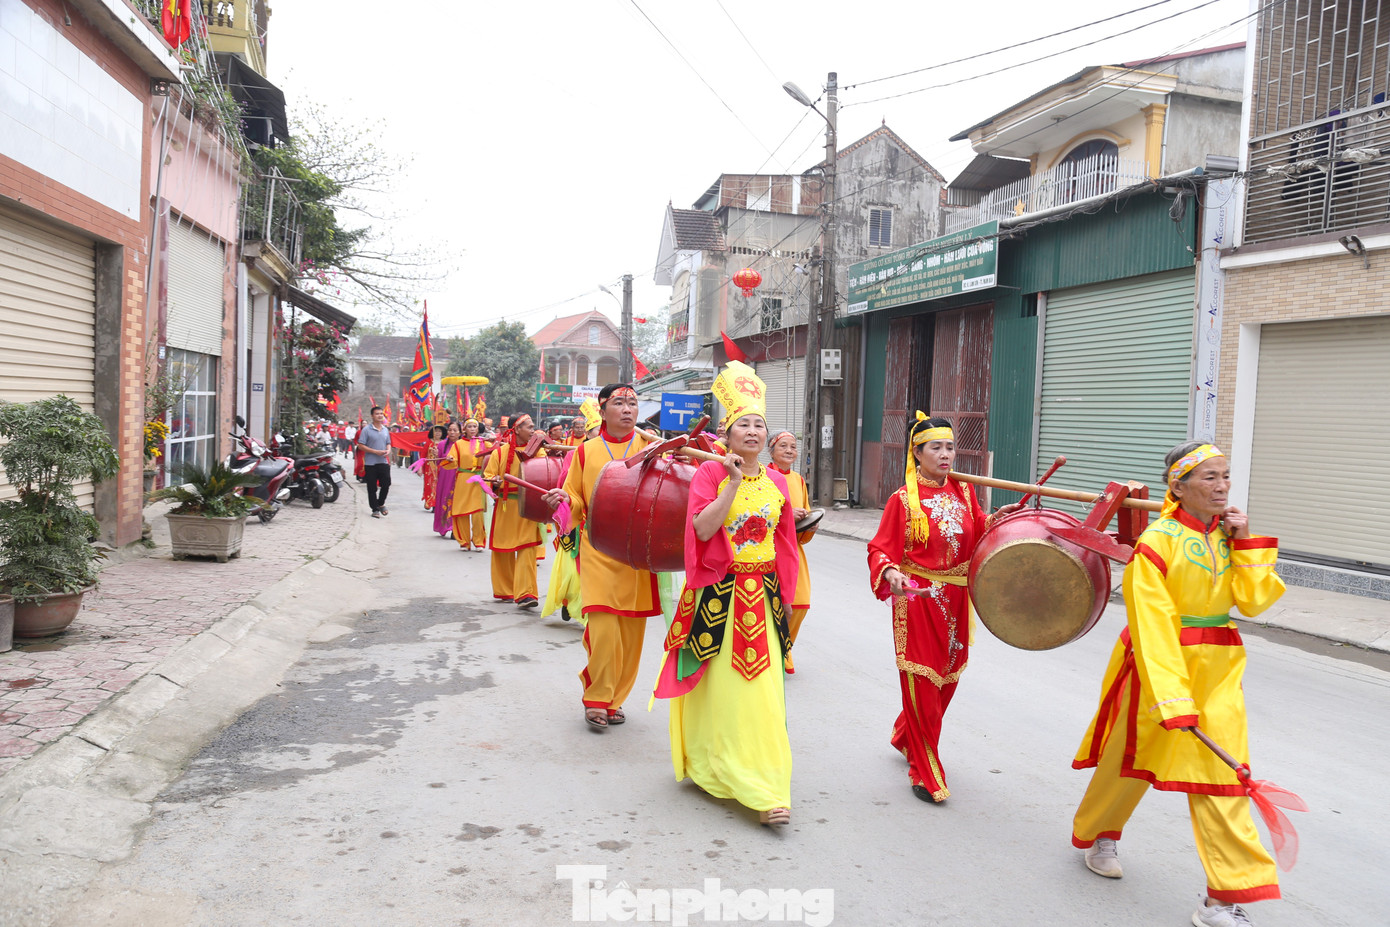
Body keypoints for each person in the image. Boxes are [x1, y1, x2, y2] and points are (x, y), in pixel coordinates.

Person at [1070, 443, 1287, 927]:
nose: (1222, 486)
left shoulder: (1230, 537)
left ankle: (1223, 900)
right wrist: (1173, 696)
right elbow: (1153, 626)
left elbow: (1254, 604)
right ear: (1179, 486)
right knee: (1130, 758)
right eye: (1209, 477)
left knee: (1223, 778)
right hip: (1158, 668)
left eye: (1225, 476)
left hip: (1221, 671)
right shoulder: (1158, 542)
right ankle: (1099, 832)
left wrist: (1247, 541)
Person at [658, 362, 800, 826]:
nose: (754, 430)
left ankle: (764, 786)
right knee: (722, 691)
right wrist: (732, 482)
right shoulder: (709, 476)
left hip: (764, 595)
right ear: (728, 432)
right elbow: (701, 529)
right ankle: (712, 765)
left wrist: (787, 597)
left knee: (762, 691)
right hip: (721, 595)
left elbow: (785, 545)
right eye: (745, 423)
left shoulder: (779, 481)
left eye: (760, 423)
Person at [866, 413, 1022, 804]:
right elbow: (880, 548)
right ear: (916, 454)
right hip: (917, 598)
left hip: (956, 599)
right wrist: (890, 574)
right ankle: (925, 768)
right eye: (935, 447)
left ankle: (907, 736)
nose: (945, 454)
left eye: (950, 446)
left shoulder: (965, 492)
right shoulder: (902, 500)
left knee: (947, 677)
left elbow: (973, 531)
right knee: (923, 679)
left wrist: (993, 521)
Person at [543, 383, 661, 730]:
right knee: (605, 627)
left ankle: (615, 699)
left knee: (630, 633)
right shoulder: (585, 452)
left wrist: (680, 457)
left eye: (633, 403)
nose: (628, 409)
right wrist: (563, 501)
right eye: (620, 403)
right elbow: (575, 497)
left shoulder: (653, 448)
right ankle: (597, 697)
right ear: (603, 409)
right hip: (598, 546)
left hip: (637, 552)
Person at [483, 414, 545, 607]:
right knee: (503, 549)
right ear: (517, 429)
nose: (533, 430)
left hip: (527, 508)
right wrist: (494, 482)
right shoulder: (499, 453)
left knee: (527, 549)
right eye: (529, 427)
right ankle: (505, 590)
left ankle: (526, 594)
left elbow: (545, 473)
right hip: (505, 506)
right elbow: (487, 478)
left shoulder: (538, 453)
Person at [767, 431, 811, 674]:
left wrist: (810, 524)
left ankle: (784, 646)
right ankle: (775, 651)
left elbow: (805, 511)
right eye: (783, 446)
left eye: (793, 446)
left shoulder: (799, 480)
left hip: (795, 548)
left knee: (801, 603)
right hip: (771, 548)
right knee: (776, 603)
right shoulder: (764, 476)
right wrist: (786, 516)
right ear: (771, 450)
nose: (789, 450)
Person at [441, 419, 492, 551]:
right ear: (465, 429)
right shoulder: (458, 444)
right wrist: (450, 459)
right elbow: (452, 461)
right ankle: (464, 541)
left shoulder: (484, 443)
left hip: (477, 480)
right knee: (460, 511)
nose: (472, 429)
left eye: (475, 426)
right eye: (469, 426)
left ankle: (479, 541)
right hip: (463, 478)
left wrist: (495, 443)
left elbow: (495, 454)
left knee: (477, 513)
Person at [356, 407, 392, 517]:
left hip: (383, 461)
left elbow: (388, 443)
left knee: (386, 484)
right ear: (372, 416)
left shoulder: (385, 429)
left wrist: (388, 450)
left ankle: (381, 503)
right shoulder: (366, 430)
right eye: (377, 414)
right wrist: (375, 451)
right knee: (372, 487)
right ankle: (374, 509)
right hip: (370, 463)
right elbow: (361, 445)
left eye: (381, 413)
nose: (380, 415)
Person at [432, 422, 463, 538]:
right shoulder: (441, 445)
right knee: (445, 500)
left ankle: (455, 528)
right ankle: (444, 525)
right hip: (445, 478)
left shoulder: (463, 445)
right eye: (450, 430)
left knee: (457, 501)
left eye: (455, 430)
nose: (452, 432)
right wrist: (436, 456)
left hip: (459, 477)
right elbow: (438, 463)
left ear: (460, 432)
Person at [421, 424, 446, 510]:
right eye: (436, 431)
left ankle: (436, 505)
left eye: (439, 431)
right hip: (429, 468)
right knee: (429, 485)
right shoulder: (428, 443)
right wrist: (420, 468)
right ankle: (429, 502)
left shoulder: (444, 443)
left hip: (440, 467)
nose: (438, 433)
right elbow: (423, 456)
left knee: (439, 486)